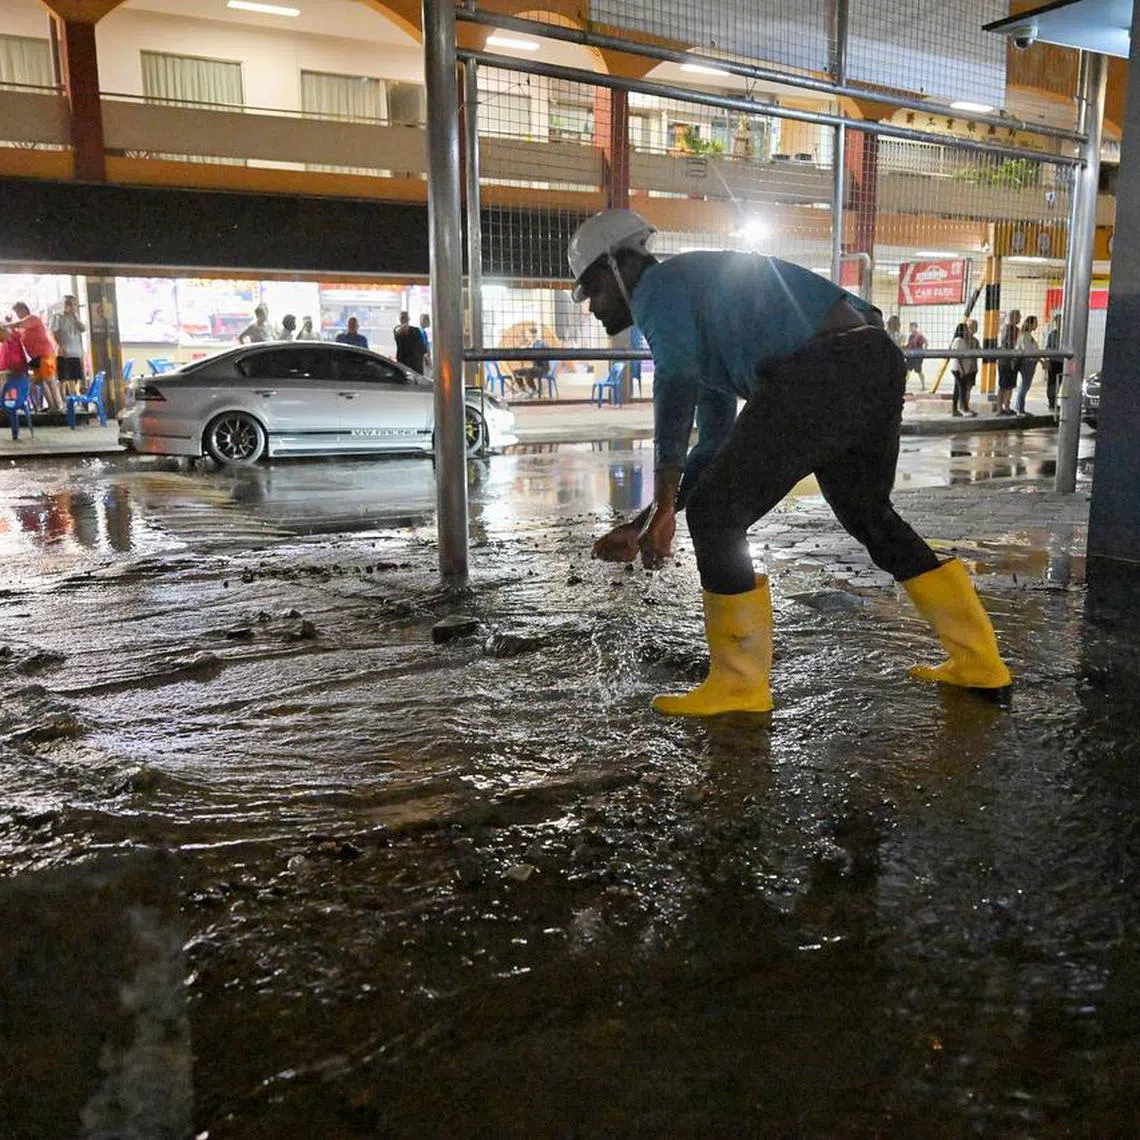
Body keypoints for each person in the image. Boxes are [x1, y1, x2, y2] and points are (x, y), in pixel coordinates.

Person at [569, 208, 1011, 717]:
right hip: (871, 359)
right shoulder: (695, 298)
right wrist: (652, 513)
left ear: (617, 267)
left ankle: (739, 685)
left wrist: (671, 504)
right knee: (868, 514)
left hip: (821, 369)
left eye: (591, 290)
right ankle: (978, 661)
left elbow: (676, 381)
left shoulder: (658, 289)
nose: (592, 306)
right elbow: (713, 444)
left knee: (716, 516)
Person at [5, 302, 61, 411]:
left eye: (18, 312)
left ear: (24, 310)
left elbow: (19, 324)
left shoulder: (32, 319)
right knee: (41, 381)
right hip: (35, 357)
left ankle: (59, 406)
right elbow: (15, 332)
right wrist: (8, 325)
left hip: (45, 354)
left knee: (49, 380)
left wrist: (6, 325)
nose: (17, 314)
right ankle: (51, 406)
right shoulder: (24, 326)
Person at [50, 294, 86, 398]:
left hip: (76, 352)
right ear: (63, 304)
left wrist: (75, 318)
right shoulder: (57, 316)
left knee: (75, 378)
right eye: (68, 304)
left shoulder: (76, 317)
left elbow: (83, 329)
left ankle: (74, 399)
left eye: (74, 304)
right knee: (63, 379)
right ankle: (63, 401)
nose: (71, 306)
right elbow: (55, 333)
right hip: (64, 352)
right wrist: (61, 346)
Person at [0, 325, 30, 440]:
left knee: (8, 400)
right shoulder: (14, 342)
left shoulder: (11, 345)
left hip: (11, 395)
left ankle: (15, 432)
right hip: (17, 392)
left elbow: (8, 365)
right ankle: (15, 433)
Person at [948, 320, 978, 417]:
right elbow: (959, 357)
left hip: (959, 368)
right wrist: (962, 370)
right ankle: (964, 409)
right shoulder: (959, 341)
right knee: (962, 389)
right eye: (965, 329)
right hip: (958, 369)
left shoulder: (961, 340)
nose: (967, 331)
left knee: (957, 389)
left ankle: (955, 409)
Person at [996, 309, 1021, 416]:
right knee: (1006, 386)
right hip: (1007, 361)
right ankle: (1002, 408)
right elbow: (1010, 345)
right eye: (1018, 316)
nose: (1020, 318)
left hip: (1005, 360)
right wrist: (1012, 359)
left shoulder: (1008, 329)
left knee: (1006, 385)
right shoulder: (1011, 330)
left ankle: (1003, 407)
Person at [1014, 314, 1039, 415]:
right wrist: (1039, 360)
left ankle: (1020, 407)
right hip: (1028, 362)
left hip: (1030, 362)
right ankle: (1020, 408)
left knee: (1025, 386)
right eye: (1035, 323)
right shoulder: (1025, 336)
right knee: (1025, 386)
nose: (1036, 325)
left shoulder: (1026, 335)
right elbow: (1028, 351)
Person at [1044, 313, 1062, 413]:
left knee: (1058, 383)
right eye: (1058, 321)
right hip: (1054, 361)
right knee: (1052, 383)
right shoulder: (1053, 334)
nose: (1059, 323)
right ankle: (1051, 402)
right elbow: (1048, 347)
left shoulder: (1066, 335)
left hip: (1062, 362)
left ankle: (1054, 402)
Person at [905, 322, 928, 391]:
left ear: (915, 327)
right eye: (910, 327)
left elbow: (926, 342)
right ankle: (903, 385)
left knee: (919, 371)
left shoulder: (919, 335)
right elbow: (909, 345)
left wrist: (923, 351)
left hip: (917, 356)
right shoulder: (910, 336)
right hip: (911, 356)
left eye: (912, 327)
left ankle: (923, 386)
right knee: (907, 370)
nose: (911, 328)